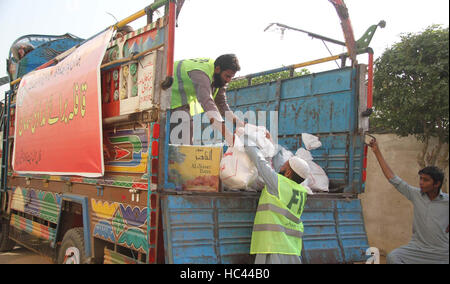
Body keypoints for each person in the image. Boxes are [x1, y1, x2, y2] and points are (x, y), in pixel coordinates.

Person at [368, 138, 449, 264]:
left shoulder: (447, 201)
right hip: (417, 249)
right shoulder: (416, 194)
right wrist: (377, 151)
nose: (421, 183)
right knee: (393, 257)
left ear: (437, 184)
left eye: (426, 180)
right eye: (420, 179)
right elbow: (392, 178)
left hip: (442, 252)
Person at [244, 134, 310, 264]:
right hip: (292, 248)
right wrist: (272, 144)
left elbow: (259, 161)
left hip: (274, 247)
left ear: (289, 173)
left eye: (285, 165)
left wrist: (245, 137)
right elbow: (281, 166)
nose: (281, 166)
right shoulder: (301, 190)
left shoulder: (278, 183)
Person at [170, 54, 244, 145]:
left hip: (179, 100)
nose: (229, 80)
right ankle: (178, 158)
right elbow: (207, 102)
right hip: (169, 93)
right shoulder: (201, 74)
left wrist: (240, 124)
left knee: (183, 135)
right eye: (227, 76)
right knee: (184, 128)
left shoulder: (219, 78)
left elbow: (222, 105)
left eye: (231, 77)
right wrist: (228, 136)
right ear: (218, 69)